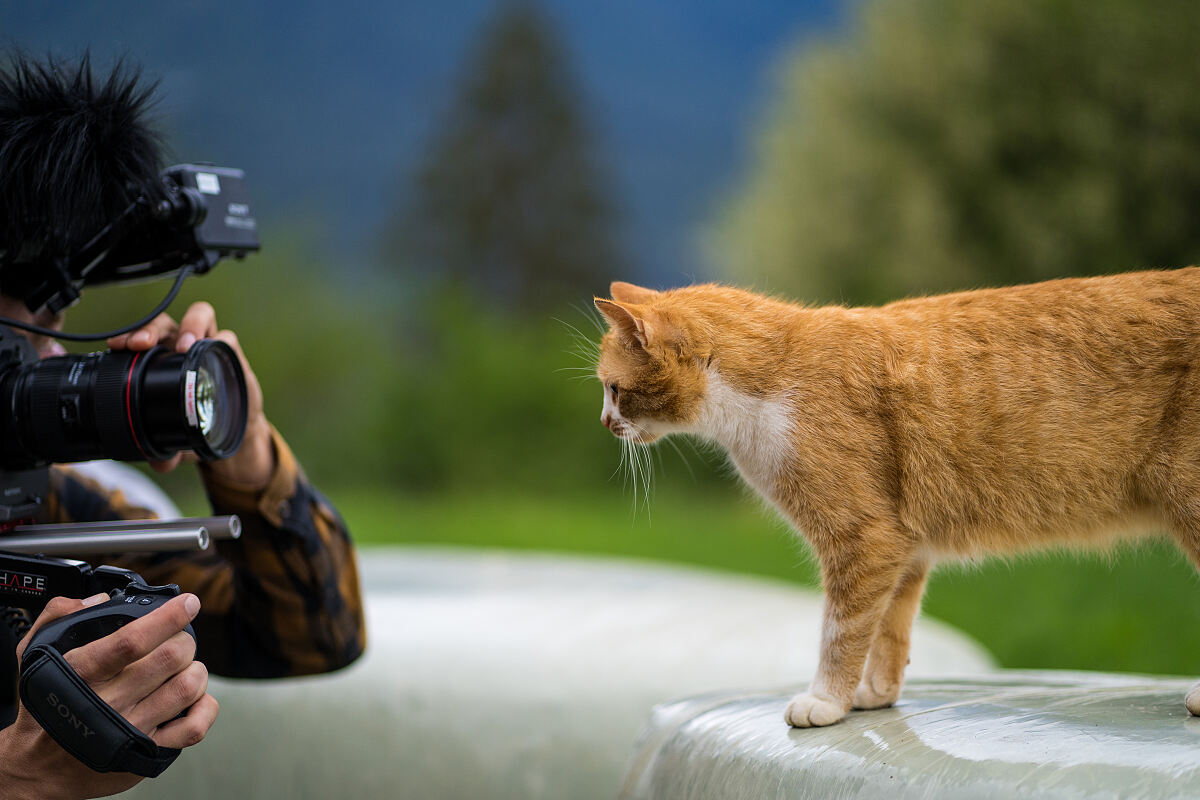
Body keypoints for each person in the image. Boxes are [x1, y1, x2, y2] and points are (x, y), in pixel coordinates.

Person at [0, 54, 367, 799]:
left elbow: (309, 635)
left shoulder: (52, 503)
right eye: (13, 340)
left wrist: (241, 446)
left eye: (51, 329)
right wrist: (17, 775)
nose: (39, 360)